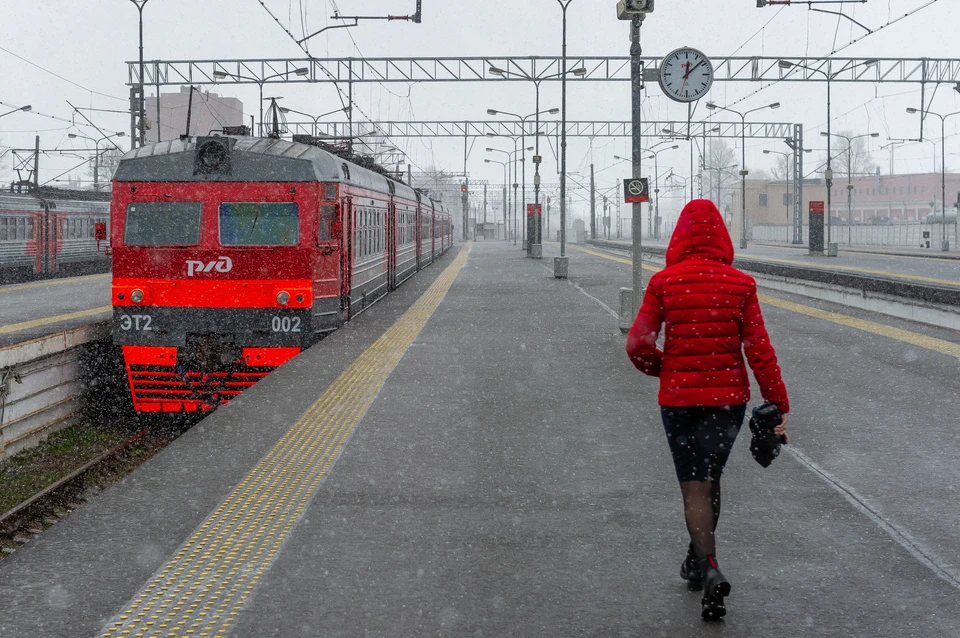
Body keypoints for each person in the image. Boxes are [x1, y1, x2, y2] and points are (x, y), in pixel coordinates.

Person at [624, 199, 790, 620]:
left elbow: (638, 343)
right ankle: (700, 560)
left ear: (679, 237)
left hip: (679, 401)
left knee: (693, 486)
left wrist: (666, 369)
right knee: (711, 478)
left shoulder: (664, 282)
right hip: (727, 402)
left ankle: (708, 565)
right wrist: (778, 402)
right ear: (722, 237)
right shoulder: (741, 284)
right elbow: (759, 350)